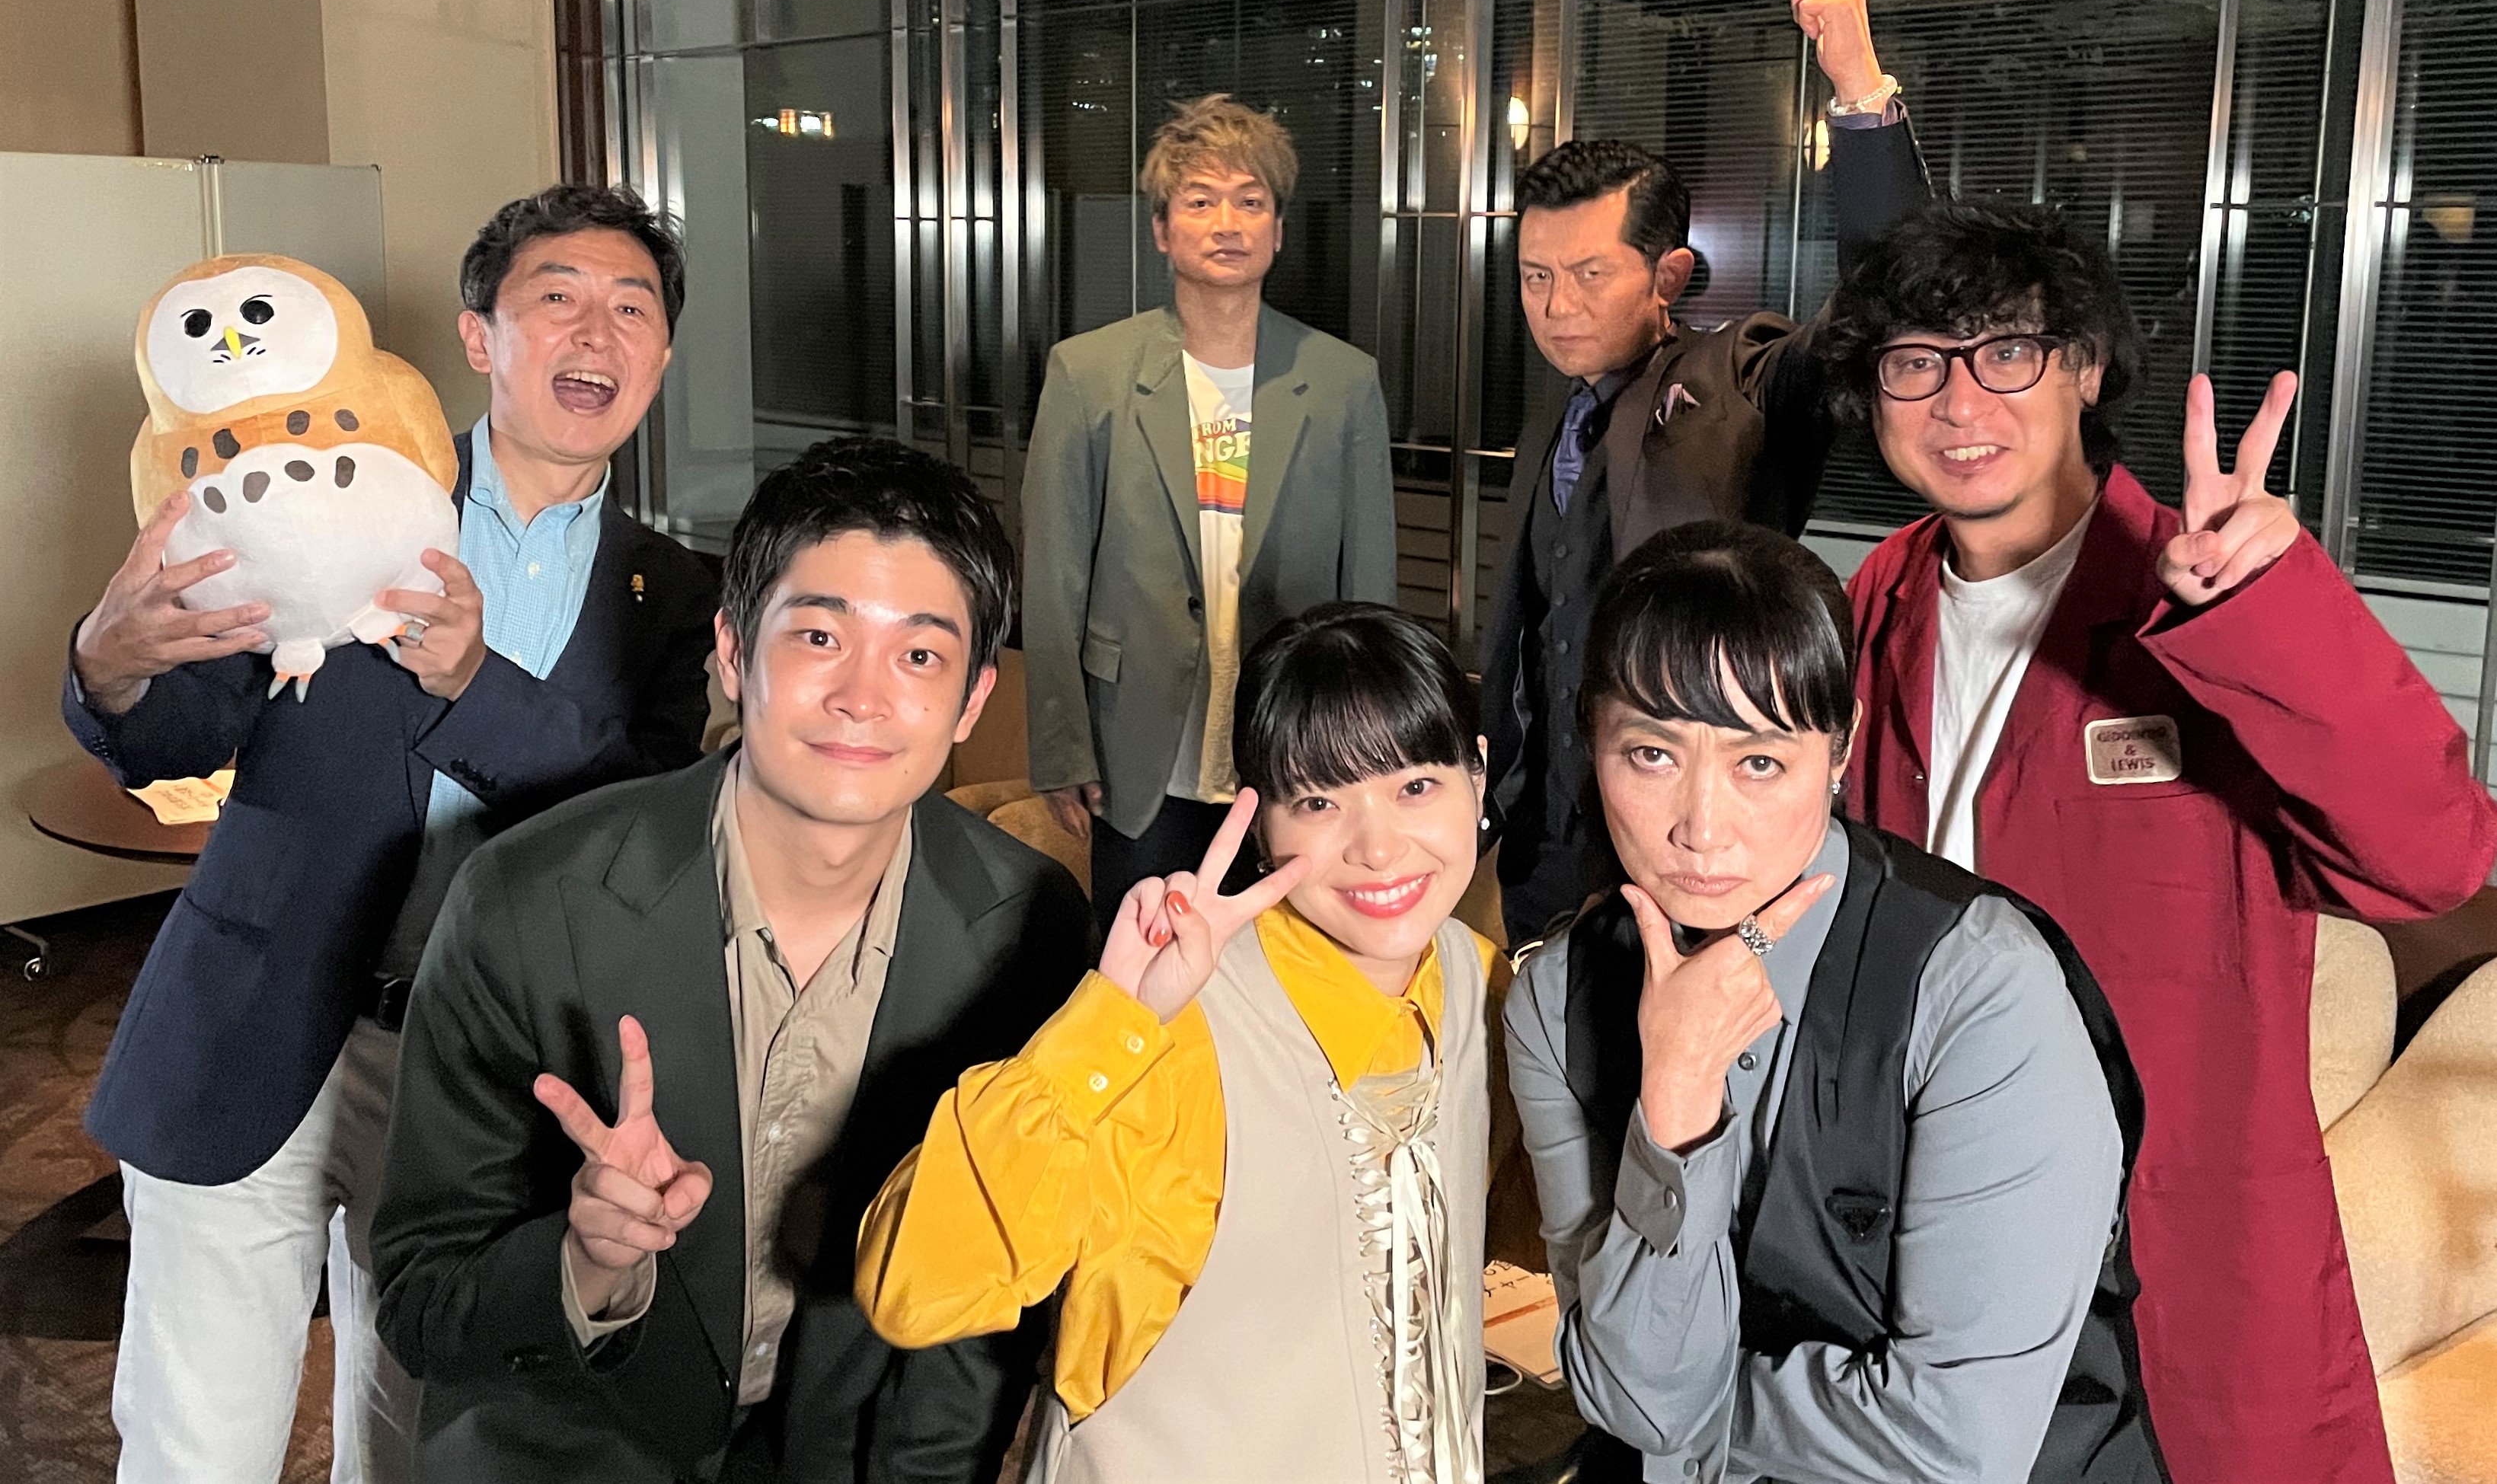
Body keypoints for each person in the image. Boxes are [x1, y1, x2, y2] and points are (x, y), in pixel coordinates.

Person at [1819, 196, 2497, 1484]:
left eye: (2005, 351)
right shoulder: (1882, 595)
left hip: (2168, 1245)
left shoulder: (2196, 591)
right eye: (1915, 362)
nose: (1959, 403)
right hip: (1932, 1219)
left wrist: (2268, 608)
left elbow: (2431, 860)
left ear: (2082, 367)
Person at [64, 184, 718, 1484]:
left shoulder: (674, 592)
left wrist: (476, 684)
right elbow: (175, 733)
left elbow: (635, 824)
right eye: (556, 298)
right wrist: (109, 665)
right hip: (251, 1021)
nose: (595, 332)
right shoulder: (336, 492)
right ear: (480, 337)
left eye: (631, 309)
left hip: (476, 1070)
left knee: (419, 1435)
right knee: (197, 1446)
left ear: (657, 356)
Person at [372, 438, 1093, 1482]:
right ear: (731, 648)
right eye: (819, 636)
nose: (862, 695)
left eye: (919, 656)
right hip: (569, 1449)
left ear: (972, 700)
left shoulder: (1025, 927)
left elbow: (984, 1301)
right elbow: (423, 1298)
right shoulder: (527, 901)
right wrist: (584, 1261)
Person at [1506, 522, 2163, 1483]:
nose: (1701, 828)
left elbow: (1957, 1444)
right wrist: (1677, 1096)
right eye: (1650, 754)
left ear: (1841, 748)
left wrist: (1689, 1410)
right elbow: (1632, 1400)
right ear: (1591, 741)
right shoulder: (1556, 998)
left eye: (1759, 763)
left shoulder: (1978, 989)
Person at [857, 603, 1523, 1484]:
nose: (1377, 847)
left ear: (1479, 776)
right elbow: (915, 1286)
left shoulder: (1483, 986)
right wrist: (1107, 1029)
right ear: (1261, 826)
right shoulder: (1174, 1033)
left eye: (1416, 787)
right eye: (1319, 801)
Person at [1481, 0, 1927, 946]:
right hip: (1546, 843)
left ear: (1669, 274)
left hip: (1694, 845)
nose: (1556, 305)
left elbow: (1893, 303)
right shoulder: (1553, 421)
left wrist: (1857, 89)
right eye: (1536, 277)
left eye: (1589, 273)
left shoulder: (1744, 380)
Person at [1022, 93, 1400, 923]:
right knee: (1141, 962)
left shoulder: (1341, 382)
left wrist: (1371, 741)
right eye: (1200, 201)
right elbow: (1052, 577)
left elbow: (1370, 588)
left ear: (1279, 229)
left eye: (1249, 201)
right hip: (1137, 753)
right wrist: (1060, 746)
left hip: (1294, 748)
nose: (1226, 223)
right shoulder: (1089, 374)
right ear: (1162, 230)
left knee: (1289, 965)